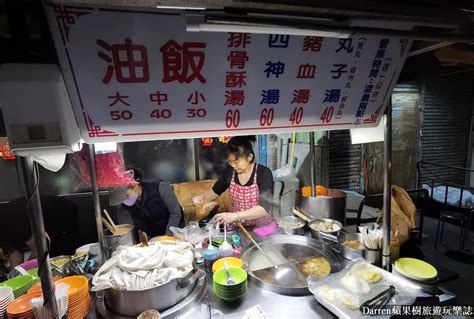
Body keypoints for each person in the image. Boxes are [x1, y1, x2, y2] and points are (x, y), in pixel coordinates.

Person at [192, 136, 276, 233]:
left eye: (237, 162)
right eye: (230, 162)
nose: (233, 166)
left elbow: (264, 208)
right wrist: (201, 198)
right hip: (237, 227)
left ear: (249, 157)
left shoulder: (263, 173)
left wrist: (235, 215)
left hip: (261, 228)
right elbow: (215, 191)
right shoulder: (230, 172)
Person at [0, 195, 80, 270]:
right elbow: (14, 250)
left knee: (61, 258)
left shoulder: (10, 222)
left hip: (63, 213)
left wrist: (27, 268)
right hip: (45, 223)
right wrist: (14, 274)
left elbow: (40, 249)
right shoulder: (4, 230)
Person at [110, 168, 184, 237]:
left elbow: (175, 213)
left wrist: (167, 237)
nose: (124, 201)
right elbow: (128, 229)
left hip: (174, 232)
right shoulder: (122, 205)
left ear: (135, 185)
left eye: (126, 196)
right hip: (149, 239)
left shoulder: (160, 187)